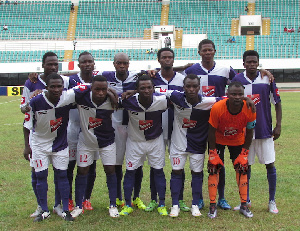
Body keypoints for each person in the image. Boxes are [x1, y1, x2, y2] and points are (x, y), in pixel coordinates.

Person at [183, 39, 237, 210]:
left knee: (218, 161)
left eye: (210, 50)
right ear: (199, 52)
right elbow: (177, 79)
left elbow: (239, 83)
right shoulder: (191, 70)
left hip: (220, 122)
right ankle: (197, 198)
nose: (207, 53)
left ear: (215, 51)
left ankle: (221, 198)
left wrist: (263, 71)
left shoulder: (225, 69)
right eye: (204, 50)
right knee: (197, 162)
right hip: (197, 122)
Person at [157, 74, 220, 217]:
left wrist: (246, 99)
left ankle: (195, 205)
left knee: (197, 174)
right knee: (176, 172)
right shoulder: (175, 96)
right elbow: (152, 90)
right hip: (178, 145)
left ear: (199, 87)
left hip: (197, 145)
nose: (191, 89)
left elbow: (226, 100)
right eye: (188, 86)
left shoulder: (208, 101)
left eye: (194, 86)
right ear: (183, 87)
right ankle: (175, 205)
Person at [231, 50, 282, 214]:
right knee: (245, 166)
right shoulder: (237, 79)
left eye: (255, 62)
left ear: (258, 63)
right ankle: (245, 200)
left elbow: (277, 102)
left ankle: (272, 201)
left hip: (265, 130)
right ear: (243, 63)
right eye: (249, 62)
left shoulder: (267, 78)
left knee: (270, 165)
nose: (252, 65)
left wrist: (279, 125)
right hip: (244, 132)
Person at [21, 52, 70, 219]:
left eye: (56, 64)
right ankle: (41, 207)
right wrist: (27, 144)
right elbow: (24, 110)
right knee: (37, 174)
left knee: (61, 173)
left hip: (60, 136)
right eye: (50, 64)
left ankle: (58, 205)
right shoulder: (31, 83)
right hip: (38, 136)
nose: (53, 67)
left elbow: (81, 78)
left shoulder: (63, 80)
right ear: (43, 65)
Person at [27, 73, 76, 222]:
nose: (56, 89)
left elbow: (88, 86)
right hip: (39, 145)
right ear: (46, 88)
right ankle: (44, 210)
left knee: (62, 176)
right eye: (52, 86)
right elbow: (27, 124)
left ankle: (63, 209)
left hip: (60, 145)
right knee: (41, 176)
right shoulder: (35, 101)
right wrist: (26, 146)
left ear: (63, 87)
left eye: (59, 86)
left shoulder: (68, 97)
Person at [70, 75, 120, 218]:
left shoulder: (114, 99)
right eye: (97, 89)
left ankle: (112, 205)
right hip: (85, 142)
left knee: (110, 170)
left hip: (107, 142)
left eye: (104, 89)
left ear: (108, 89)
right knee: (82, 171)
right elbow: (65, 92)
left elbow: (131, 96)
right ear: (91, 88)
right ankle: (79, 206)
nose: (100, 93)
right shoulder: (81, 97)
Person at [147, 48, 189, 213]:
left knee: (179, 165)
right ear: (158, 60)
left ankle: (180, 199)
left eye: (170, 57)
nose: (167, 60)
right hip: (156, 127)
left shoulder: (182, 79)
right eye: (164, 57)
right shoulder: (152, 78)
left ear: (173, 59)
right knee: (155, 165)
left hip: (177, 128)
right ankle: (153, 199)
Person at [119, 74, 168, 216]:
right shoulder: (128, 101)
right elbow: (110, 94)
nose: (146, 90)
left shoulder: (162, 100)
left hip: (155, 141)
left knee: (158, 171)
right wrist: (131, 93)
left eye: (149, 87)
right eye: (142, 88)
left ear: (154, 88)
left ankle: (162, 204)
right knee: (130, 172)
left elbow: (179, 96)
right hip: (134, 142)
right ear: (137, 89)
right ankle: (127, 204)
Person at [207, 81, 256, 219]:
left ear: (244, 95)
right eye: (233, 94)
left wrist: (245, 153)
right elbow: (211, 131)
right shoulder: (218, 108)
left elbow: (250, 131)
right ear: (227, 94)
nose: (237, 97)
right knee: (213, 168)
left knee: (242, 168)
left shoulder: (250, 108)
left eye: (240, 94)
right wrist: (212, 153)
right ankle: (212, 205)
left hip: (238, 140)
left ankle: (244, 205)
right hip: (218, 140)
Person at [67, 51, 98, 212]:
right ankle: (70, 199)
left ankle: (86, 198)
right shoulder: (70, 80)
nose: (87, 64)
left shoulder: (99, 79)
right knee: (70, 165)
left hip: (92, 128)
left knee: (90, 165)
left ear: (94, 64)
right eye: (84, 62)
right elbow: (51, 81)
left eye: (90, 62)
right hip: (73, 127)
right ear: (79, 65)